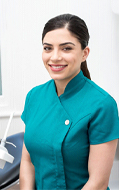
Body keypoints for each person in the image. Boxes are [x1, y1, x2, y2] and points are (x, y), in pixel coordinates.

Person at [19, 13, 119, 190]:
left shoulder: (102, 105)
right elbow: (28, 161)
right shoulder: (34, 96)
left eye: (66, 48)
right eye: (48, 48)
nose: (55, 57)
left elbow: (98, 183)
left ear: (84, 53)